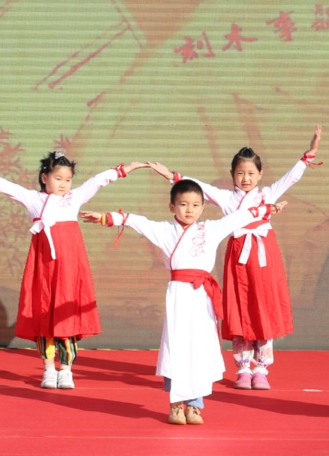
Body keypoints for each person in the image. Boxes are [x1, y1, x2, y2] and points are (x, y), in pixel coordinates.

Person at [82, 179, 279, 425]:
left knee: (201, 348)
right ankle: (176, 405)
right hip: (178, 294)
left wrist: (267, 209)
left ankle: (195, 406)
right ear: (171, 206)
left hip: (202, 297)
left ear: (202, 208)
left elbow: (239, 217)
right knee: (176, 347)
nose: (189, 210)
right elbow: (137, 221)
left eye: (196, 205)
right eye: (183, 204)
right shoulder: (164, 230)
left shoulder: (211, 228)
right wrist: (105, 217)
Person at [0, 152, 152, 389]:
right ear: (44, 177)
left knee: (66, 312)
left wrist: (124, 169)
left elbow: (98, 180)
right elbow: (5, 186)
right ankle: (48, 368)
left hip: (69, 266)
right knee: (44, 313)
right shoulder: (33, 199)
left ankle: (66, 369)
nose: (63, 184)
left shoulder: (74, 197)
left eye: (67, 179)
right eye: (58, 178)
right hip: (44, 267)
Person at [150, 125, 322, 390]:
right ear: (232, 175)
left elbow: (290, 179)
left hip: (265, 257)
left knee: (263, 308)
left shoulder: (267, 194)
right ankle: (243, 367)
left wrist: (308, 155)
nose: (245, 178)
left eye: (251, 173)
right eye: (240, 173)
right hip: (238, 259)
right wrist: (171, 176)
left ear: (260, 174)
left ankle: (262, 368)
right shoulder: (227, 198)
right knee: (241, 309)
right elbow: (199, 188)